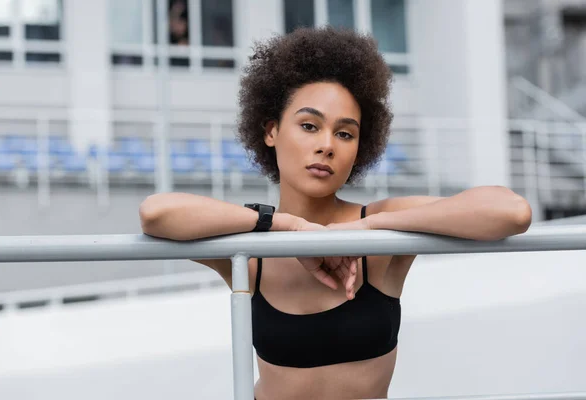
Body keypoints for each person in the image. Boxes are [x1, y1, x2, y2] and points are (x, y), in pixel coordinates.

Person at [139, 27, 532, 400]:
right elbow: (156, 214)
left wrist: (371, 226)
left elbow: (511, 212)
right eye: (309, 125)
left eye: (345, 133)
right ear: (271, 131)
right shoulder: (253, 246)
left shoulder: (381, 229)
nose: (327, 145)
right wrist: (287, 226)